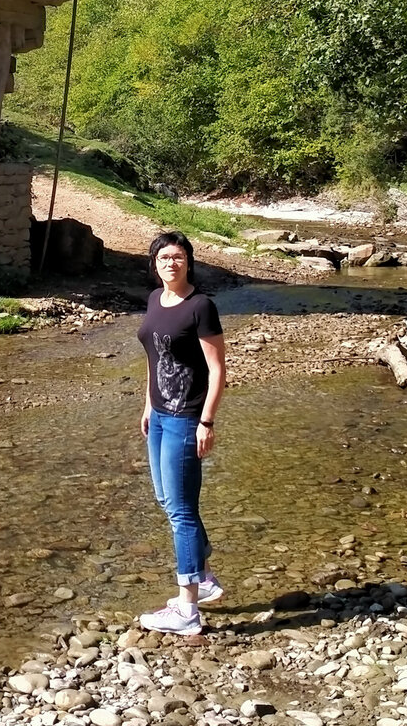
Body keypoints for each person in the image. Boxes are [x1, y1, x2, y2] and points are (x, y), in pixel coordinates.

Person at [136, 230, 227, 636]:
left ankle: (187, 609)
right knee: (165, 498)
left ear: (188, 262)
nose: (170, 263)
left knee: (181, 512)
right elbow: (154, 358)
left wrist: (207, 421)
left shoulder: (201, 306)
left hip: (187, 418)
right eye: (163, 257)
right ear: (155, 264)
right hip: (158, 415)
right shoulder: (156, 300)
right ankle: (203, 577)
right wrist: (147, 405)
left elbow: (217, 369)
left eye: (177, 257)